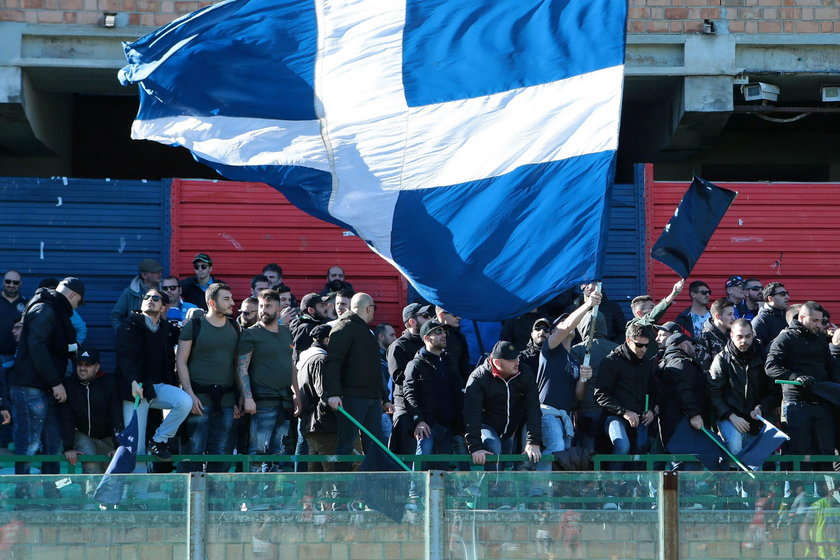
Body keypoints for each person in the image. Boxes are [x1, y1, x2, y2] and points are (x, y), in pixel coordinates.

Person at [10, 277, 82, 477]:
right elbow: (37, 346)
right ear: (73, 295)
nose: (76, 308)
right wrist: (56, 382)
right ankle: (23, 493)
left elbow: (45, 345)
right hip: (32, 385)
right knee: (30, 442)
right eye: (77, 302)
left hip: (42, 386)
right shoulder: (46, 310)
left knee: (53, 441)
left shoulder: (50, 309)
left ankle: (51, 492)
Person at [116, 288, 191, 462]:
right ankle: (138, 489)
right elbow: (124, 358)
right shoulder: (129, 326)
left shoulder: (167, 329)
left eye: (155, 298)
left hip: (156, 388)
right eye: (147, 297)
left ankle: (159, 439)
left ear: (164, 307)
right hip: (135, 390)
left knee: (184, 401)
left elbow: (188, 339)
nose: (150, 300)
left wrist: (191, 324)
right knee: (136, 448)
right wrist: (132, 381)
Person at [765, 301, 839, 468]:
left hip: (822, 401)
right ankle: (796, 493)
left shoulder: (820, 338)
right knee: (797, 451)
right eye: (814, 320)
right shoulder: (786, 337)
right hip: (796, 403)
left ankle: (826, 493)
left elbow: (830, 366)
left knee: (826, 451)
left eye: (821, 321)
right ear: (802, 317)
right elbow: (771, 367)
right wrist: (795, 377)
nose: (819, 324)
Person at [177, 282, 239, 472]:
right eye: (226, 299)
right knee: (194, 451)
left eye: (231, 298)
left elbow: (238, 366)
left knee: (220, 452)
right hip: (199, 399)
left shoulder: (235, 327)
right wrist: (190, 395)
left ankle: (216, 500)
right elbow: (180, 361)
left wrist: (240, 397)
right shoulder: (194, 326)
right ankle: (191, 500)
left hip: (227, 401)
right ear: (212, 303)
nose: (232, 303)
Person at [324, 293, 389, 469]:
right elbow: (333, 362)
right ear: (369, 308)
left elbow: (374, 368)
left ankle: (371, 488)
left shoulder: (363, 330)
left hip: (371, 397)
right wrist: (334, 393)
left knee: (373, 446)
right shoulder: (344, 327)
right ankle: (340, 490)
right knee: (346, 445)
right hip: (352, 397)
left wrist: (384, 398)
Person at [237, 289, 299, 472]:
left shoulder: (287, 333)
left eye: (269, 306)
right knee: (257, 451)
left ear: (278, 308)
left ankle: (273, 498)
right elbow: (241, 368)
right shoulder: (251, 333)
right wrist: (247, 397)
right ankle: (252, 498)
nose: (264, 310)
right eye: (262, 306)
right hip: (262, 401)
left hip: (285, 400)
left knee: (278, 453)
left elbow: (292, 365)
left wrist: (296, 394)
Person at [535, 291, 601, 461]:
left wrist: (583, 379)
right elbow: (568, 326)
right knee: (556, 448)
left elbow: (578, 395)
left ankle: (555, 487)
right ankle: (539, 487)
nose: (567, 324)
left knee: (564, 455)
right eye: (562, 322)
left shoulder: (574, 360)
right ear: (555, 331)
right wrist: (588, 305)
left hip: (566, 415)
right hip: (547, 411)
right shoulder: (550, 349)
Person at [463, 341, 542, 467]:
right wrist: (476, 447)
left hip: (511, 430)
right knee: (494, 447)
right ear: (498, 362)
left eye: (517, 357)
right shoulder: (478, 377)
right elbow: (471, 413)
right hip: (487, 426)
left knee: (506, 466)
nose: (517, 362)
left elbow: (533, 407)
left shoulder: (524, 372)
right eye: (512, 360)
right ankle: (490, 487)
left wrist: (533, 442)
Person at [400, 320, 465, 468]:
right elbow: (409, 396)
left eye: (443, 332)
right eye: (438, 332)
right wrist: (419, 421)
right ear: (426, 338)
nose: (443, 335)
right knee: (422, 462)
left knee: (442, 469)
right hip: (428, 425)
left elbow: (457, 392)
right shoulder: (415, 365)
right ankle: (415, 492)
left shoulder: (449, 360)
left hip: (450, 425)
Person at [708, 319, 777, 456]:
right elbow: (714, 393)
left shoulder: (764, 358)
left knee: (756, 459)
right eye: (739, 336)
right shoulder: (722, 359)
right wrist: (731, 416)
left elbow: (774, 392)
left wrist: (761, 408)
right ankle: (734, 477)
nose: (744, 341)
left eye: (748, 336)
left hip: (758, 417)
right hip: (729, 416)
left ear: (753, 335)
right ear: (731, 336)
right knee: (735, 443)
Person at [593, 323, 655, 467]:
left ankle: (635, 488)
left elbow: (653, 391)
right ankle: (613, 486)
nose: (644, 349)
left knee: (640, 451)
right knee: (622, 446)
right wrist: (624, 412)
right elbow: (600, 394)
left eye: (646, 345)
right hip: (614, 416)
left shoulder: (646, 363)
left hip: (640, 419)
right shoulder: (611, 361)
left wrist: (651, 409)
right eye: (639, 345)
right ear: (628, 340)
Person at [59, 344, 123, 474]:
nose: (82, 368)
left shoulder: (109, 382)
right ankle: (88, 495)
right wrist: (69, 447)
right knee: (91, 467)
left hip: (107, 436)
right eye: (80, 364)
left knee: (110, 471)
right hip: (83, 435)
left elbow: (116, 414)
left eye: (87, 365)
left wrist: (118, 445)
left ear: (97, 367)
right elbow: (66, 417)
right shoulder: (69, 384)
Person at [657, 332, 711, 464]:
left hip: (674, 426)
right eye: (692, 345)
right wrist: (694, 415)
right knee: (686, 467)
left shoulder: (666, 363)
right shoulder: (680, 363)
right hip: (683, 426)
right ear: (684, 345)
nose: (695, 348)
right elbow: (684, 390)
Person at [570, 313, 619, 453]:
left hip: (586, 409)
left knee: (587, 455)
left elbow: (573, 381)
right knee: (611, 451)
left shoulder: (577, 350)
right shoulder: (617, 349)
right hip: (612, 409)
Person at [387, 303, 431, 454]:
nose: (430, 318)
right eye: (425, 316)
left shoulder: (429, 345)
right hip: (406, 409)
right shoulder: (398, 346)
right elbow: (398, 377)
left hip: (427, 408)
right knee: (406, 456)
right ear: (412, 321)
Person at [297, 324, 337, 472]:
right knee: (330, 468)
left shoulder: (304, 360)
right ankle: (334, 495)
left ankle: (310, 496)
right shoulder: (321, 359)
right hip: (323, 423)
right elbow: (324, 392)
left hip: (309, 422)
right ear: (327, 340)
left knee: (314, 470)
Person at [626, 279, 685, 358]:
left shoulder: (650, 328)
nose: (654, 310)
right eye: (651, 308)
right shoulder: (635, 325)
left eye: (654, 307)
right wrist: (673, 294)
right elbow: (652, 316)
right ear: (639, 313)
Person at [0, 270, 25, 449]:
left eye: (15, 283)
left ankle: (12, 444)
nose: (11, 285)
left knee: (13, 398)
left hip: (15, 360)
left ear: (20, 284)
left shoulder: (25, 304)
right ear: (3, 282)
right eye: (8, 281)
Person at [110, 258, 163, 331]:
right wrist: (123, 334)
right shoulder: (130, 292)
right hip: (136, 339)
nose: (160, 274)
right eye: (155, 272)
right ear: (144, 275)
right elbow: (115, 316)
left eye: (160, 271)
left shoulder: (165, 290)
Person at [695, 298, 736, 372]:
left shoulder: (734, 334)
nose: (733, 318)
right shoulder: (704, 337)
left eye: (733, 314)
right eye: (729, 314)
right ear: (718, 316)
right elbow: (704, 369)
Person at [435, 306, 470, 386]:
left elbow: (464, 366)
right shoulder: (427, 335)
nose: (459, 317)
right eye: (455, 315)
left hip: (456, 385)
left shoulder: (458, 336)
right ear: (441, 315)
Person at [291, 293, 330, 361]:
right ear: (311, 310)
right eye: (322, 306)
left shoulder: (322, 323)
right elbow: (298, 356)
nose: (325, 308)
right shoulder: (305, 328)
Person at [752, 282, 790, 350]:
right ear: (770, 298)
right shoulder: (761, 320)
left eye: (787, 293)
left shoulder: (788, 315)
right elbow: (755, 350)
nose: (787, 297)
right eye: (782, 294)